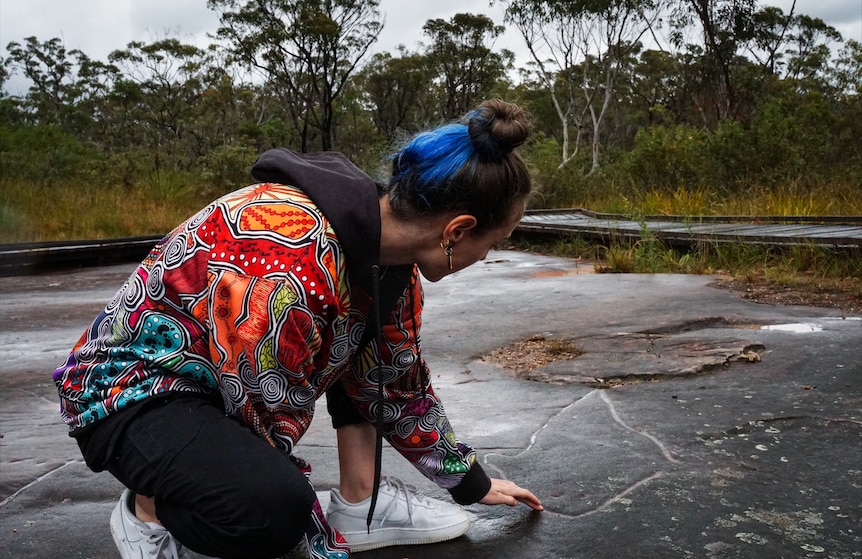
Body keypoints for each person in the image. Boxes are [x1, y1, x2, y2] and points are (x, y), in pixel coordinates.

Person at [53, 98, 543, 559]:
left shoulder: (395, 271)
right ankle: (147, 511)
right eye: (493, 243)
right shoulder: (289, 254)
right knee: (271, 511)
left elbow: (396, 387)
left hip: (221, 396)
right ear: (457, 230)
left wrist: (471, 483)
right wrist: (316, 540)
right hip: (131, 395)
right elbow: (259, 418)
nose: (487, 257)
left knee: (365, 361)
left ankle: (360, 502)